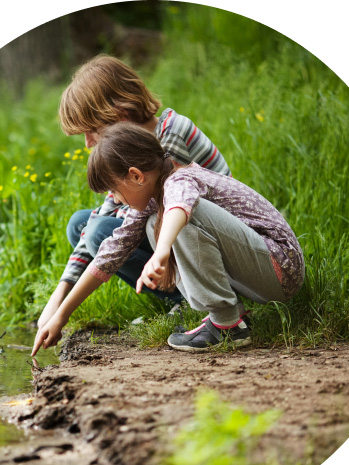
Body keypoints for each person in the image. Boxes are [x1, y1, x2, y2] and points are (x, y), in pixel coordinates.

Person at [32, 122, 304, 355]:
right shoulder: (151, 198)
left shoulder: (180, 179)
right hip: (256, 272)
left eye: (114, 190)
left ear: (136, 176)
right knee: (153, 223)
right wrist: (61, 314)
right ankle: (233, 316)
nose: (114, 199)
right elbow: (110, 254)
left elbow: (179, 209)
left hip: (280, 268)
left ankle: (227, 325)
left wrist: (161, 252)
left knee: (179, 218)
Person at [38, 54, 232, 331]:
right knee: (81, 225)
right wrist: (57, 298)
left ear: (120, 116)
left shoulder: (169, 136)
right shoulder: (128, 149)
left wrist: (64, 312)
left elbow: (129, 227)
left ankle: (196, 298)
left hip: (212, 244)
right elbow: (104, 213)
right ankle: (180, 299)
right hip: (175, 233)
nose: (87, 143)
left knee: (100, 232)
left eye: (92, 130)